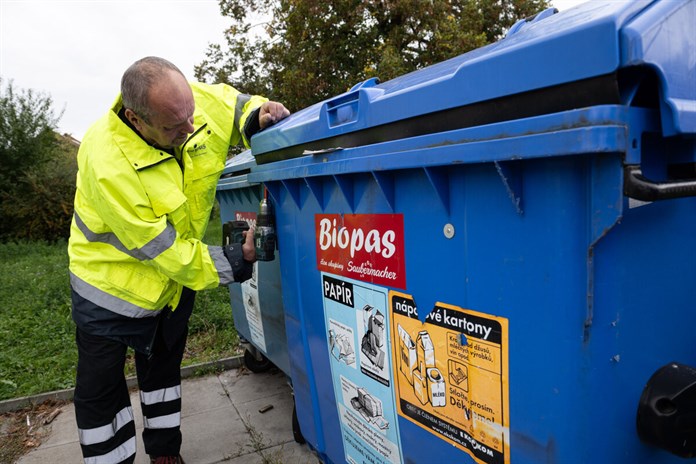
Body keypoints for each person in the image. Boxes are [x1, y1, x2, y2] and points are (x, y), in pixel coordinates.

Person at [67, 56, 290, 464]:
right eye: (174, 126)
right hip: (108, 292)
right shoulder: (108, 161)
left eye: (190, 115)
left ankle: (166, 454)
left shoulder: (187, 106)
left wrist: (258, 113)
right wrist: (232, 263)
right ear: (136, 118)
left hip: (172, 286)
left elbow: (235, 105)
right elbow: (162, 249)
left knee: (163, 375)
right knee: (102, 395)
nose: (190, 129)